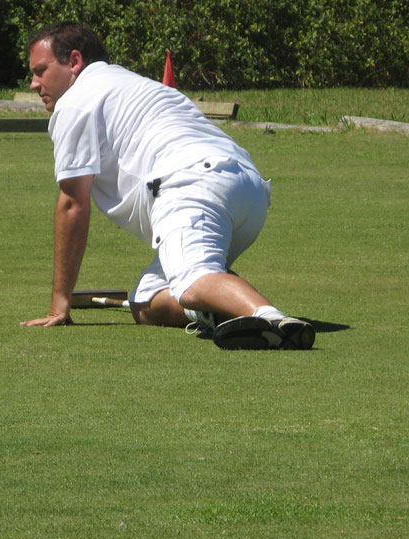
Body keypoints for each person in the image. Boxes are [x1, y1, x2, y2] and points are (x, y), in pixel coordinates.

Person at [20, 21, 314, 350]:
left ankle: (273, 319)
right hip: (249, 189)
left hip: (191, 184)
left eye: (40, 71)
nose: (34, 84)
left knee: (192, 280)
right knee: (145, 301)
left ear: (74, 61)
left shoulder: (75, 101)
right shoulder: (126, 82)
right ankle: (220, 314)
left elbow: (73, 202)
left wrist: (59, 304)